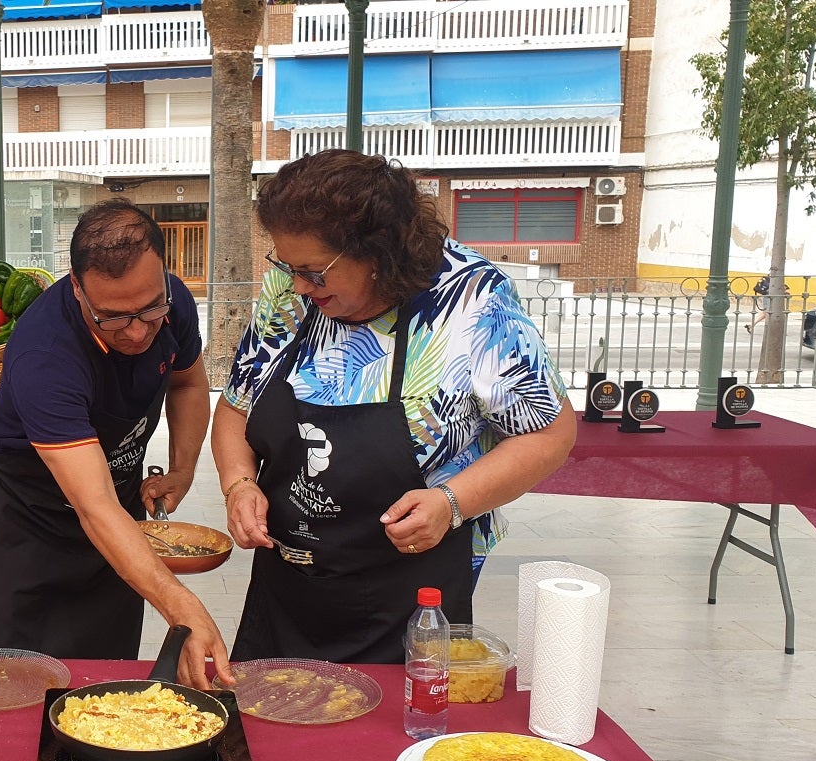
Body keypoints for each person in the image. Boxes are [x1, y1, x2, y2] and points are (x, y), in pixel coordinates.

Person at [212, 149, 576, 664]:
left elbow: (550, 434)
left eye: (314, 272)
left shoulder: (472, 298)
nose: (297, 285)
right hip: (288, 590)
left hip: (413, 600)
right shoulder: (290, 289)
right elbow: (234, 410)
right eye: (288, 267)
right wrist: (238, 484)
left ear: (377, 253)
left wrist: (452, 502)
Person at [0, 201, 232, 689]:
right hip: (30, 519)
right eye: (112, 317)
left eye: (149, 310)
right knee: (20, 676)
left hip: (116, 507)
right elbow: (94, 507)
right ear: (76, 285)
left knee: (108, 668)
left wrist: (183, 468)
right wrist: (181, 606)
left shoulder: (173, 305)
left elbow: (189, 384)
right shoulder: (46, 355)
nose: (136, 330)